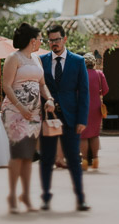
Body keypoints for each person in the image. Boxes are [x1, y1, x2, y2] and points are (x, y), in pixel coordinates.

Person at [0, 22, 54, 213]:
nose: (41, 42)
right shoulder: (13, 58)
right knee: (17, 155)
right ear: (33, 41)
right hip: (15, 113)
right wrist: (20, 107)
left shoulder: (37, 60)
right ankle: (13, 196)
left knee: (28, 156)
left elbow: (42, 84)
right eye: (40, 39)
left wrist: (50, 98)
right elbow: (6, 86)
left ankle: (26, 195)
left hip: (34, 114)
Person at [39, 24, 90, 211]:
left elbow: (84, 93)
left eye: (57, 40)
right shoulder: (41, 60)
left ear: (65, 39)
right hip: (49, 116)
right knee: (47, 158)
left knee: (73, 160)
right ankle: (45, 197)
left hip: (71, 118)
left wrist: (82, 119)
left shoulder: (77, 61)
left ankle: (80, 198)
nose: (54, 44)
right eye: (51, 40)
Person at [80, 54, 109, 171]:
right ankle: (96, 159)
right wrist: (99, 92)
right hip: (96, 107)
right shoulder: (99, 74)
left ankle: (85, 160)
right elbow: (106, 90)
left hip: (83, 106)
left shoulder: (80, 74)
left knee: (83, 135)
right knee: (95, 134)